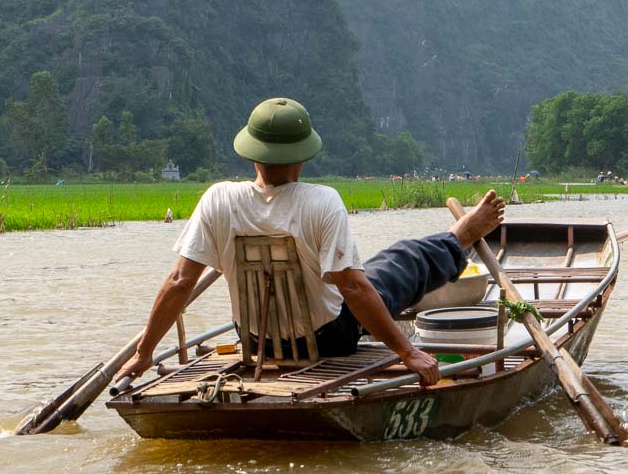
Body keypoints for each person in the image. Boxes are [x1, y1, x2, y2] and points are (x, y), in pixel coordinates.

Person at [115, 97, 505, 389]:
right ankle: (459, 238)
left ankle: (454, 240)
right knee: (400, 262)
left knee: (369, 273)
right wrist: (409, 353)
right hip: (329, 340)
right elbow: (351, 287)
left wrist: (143, 353)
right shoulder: (321, 200)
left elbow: (179, 282)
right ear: (302, 158)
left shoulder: (218, 199)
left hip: (256, 341)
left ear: (253, 154)